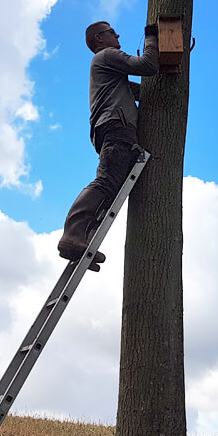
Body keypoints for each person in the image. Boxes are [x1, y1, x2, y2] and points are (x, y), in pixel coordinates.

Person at [57, 21, 159, 267]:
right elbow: (147, 66)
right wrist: (152, 40)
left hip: (110, 126)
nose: (118, 35)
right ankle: (72, 235)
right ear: (99, 39)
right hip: (116, 126)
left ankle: (83, 243)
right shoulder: (107, 55)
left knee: (111, 186)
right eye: (112, 32)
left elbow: (139, 91)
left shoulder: (108, 73)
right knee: (106, 182)